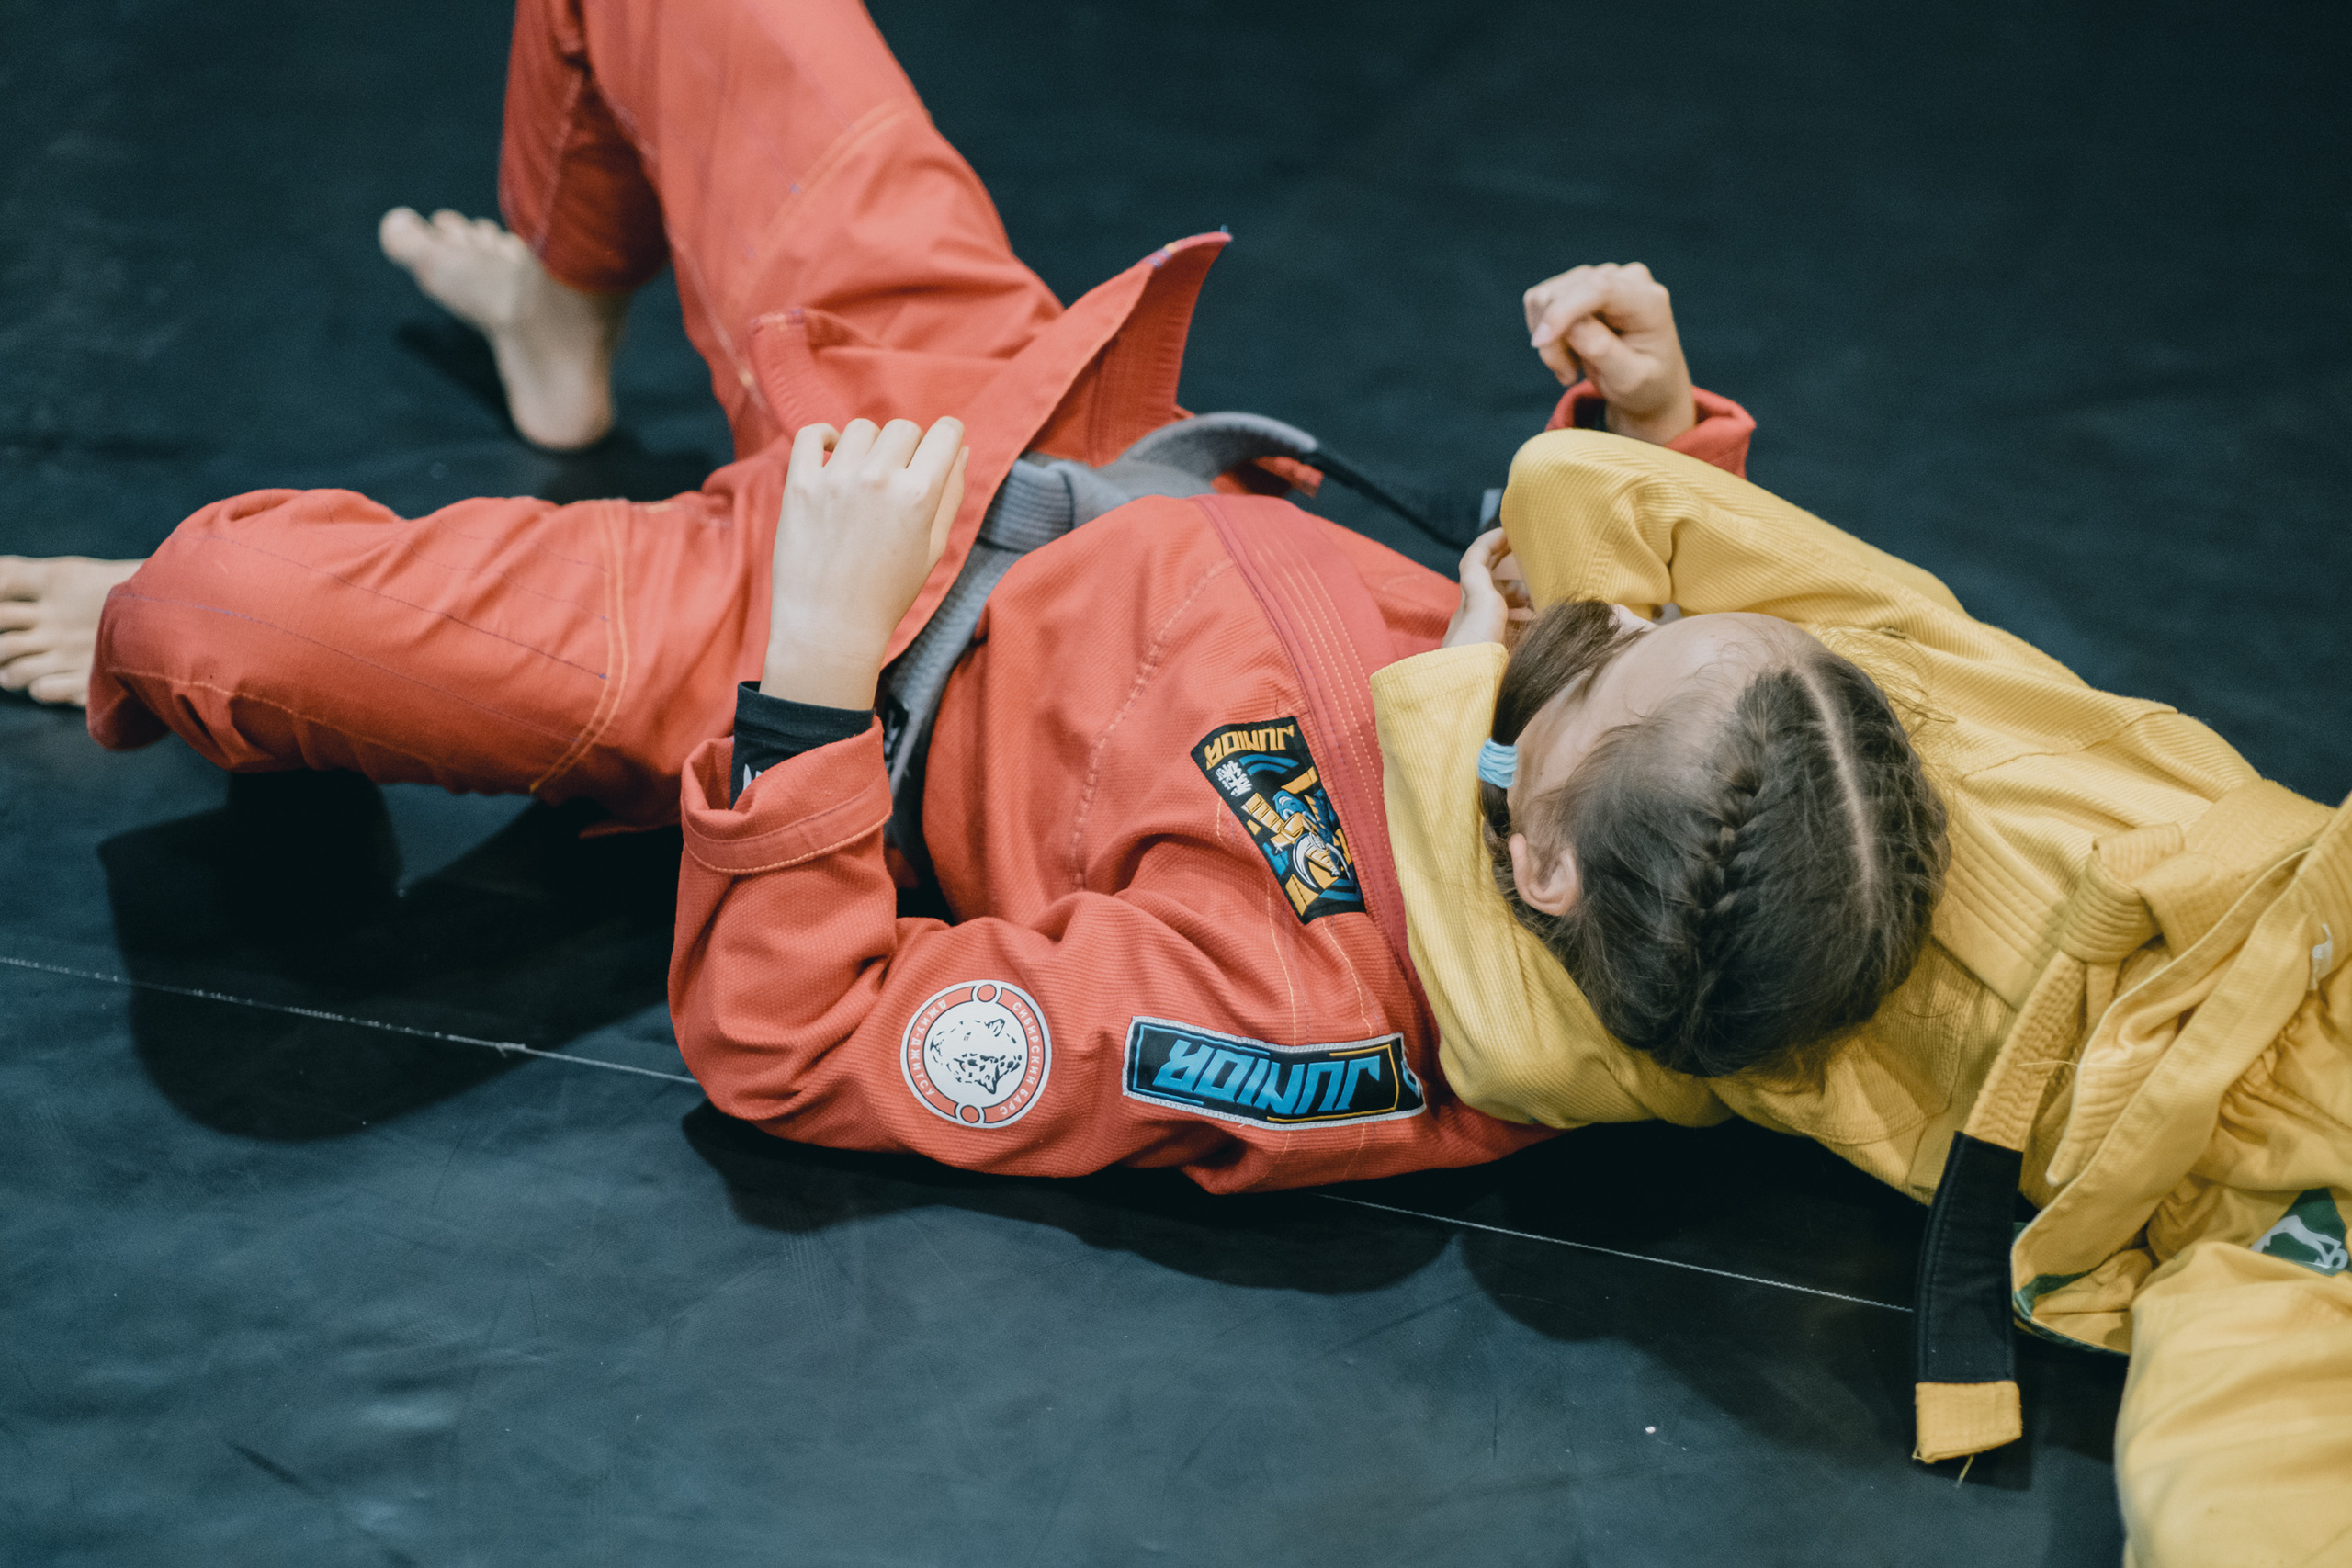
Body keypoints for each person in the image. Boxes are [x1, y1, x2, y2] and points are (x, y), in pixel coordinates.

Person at [3, 0, 2345, 1559]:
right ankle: (566, 302)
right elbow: (1706, 720)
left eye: (1581, 657)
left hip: (818, 626)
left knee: (203, 622)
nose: (1552, 602)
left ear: (1527, 849)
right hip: (1017, 417)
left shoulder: (1321, 1018)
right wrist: (1649, 433)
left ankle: (250, 581)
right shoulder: (1680, 813)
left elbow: (803, 1040)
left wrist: (810, 679)